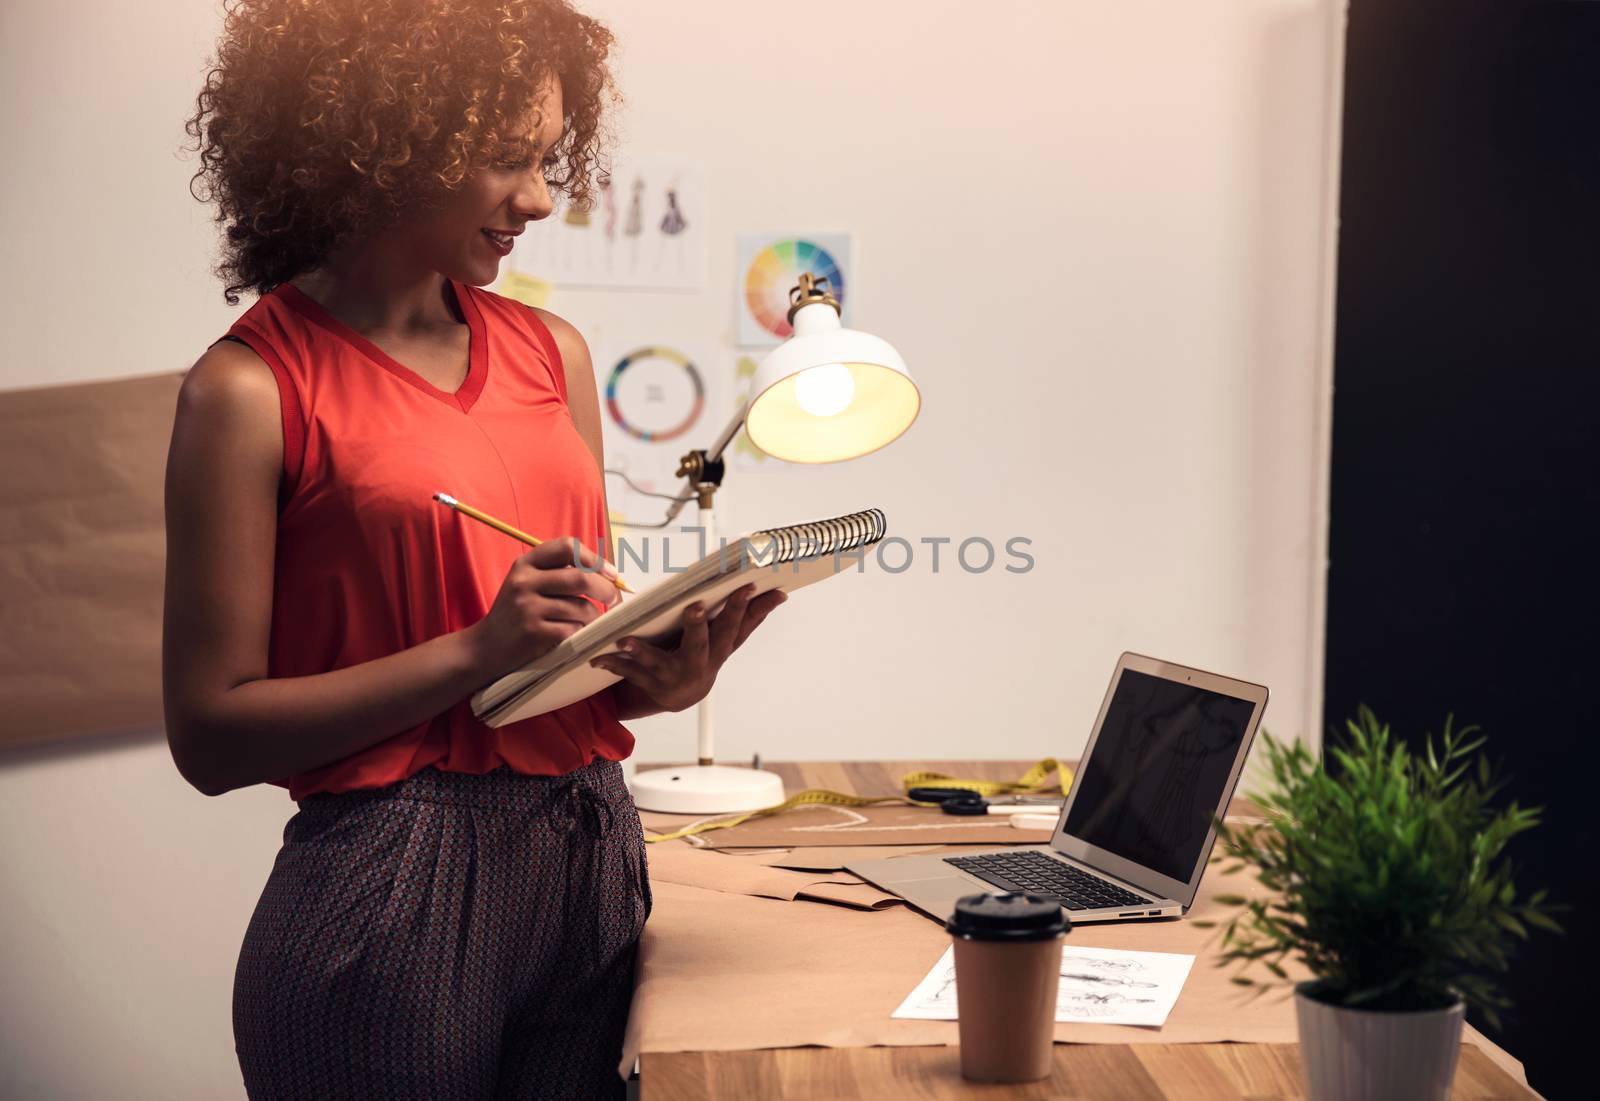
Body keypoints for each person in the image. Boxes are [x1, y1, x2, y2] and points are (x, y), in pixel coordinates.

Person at [165, 2, 784, 1097]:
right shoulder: (247, 389)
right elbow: (210, 738)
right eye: (508, 160)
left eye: (549, 158)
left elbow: (551, 679)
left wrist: (655, 676)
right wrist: (471, 651)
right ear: (383, 141)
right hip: (387, 892)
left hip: (591, 860)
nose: (544, 198)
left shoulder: (553, 354)